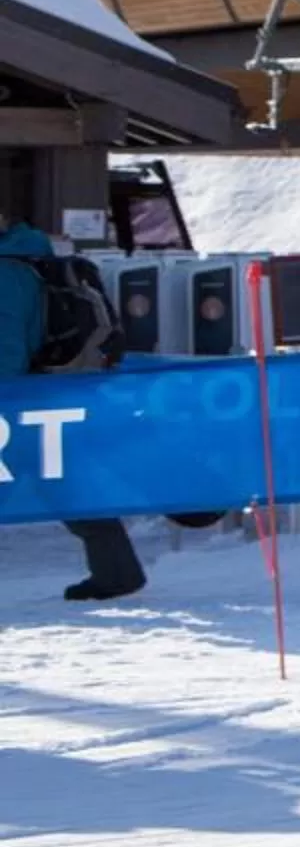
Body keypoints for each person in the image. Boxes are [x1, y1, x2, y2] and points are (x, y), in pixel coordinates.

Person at [0, 215, 144, 602]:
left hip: (18, 399)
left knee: (60, 480)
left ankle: (118, 571)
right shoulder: (28, 258)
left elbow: (7, 349)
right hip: (44, 394)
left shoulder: (6, 274)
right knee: (65, 482)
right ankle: (117, 572)